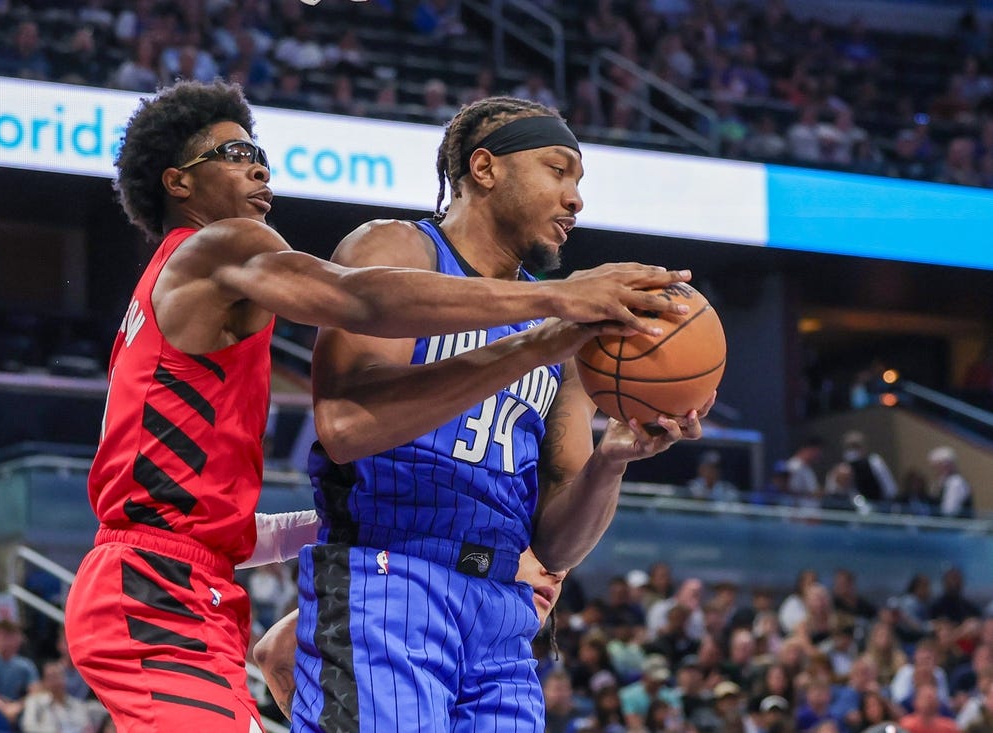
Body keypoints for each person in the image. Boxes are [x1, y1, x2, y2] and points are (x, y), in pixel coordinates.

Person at [63, 80, 678, 733]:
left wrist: (322, 525)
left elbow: (195, 514)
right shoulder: (221, 246)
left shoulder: (194, 288)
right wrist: (555, 303)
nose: (260, 165)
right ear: (177, 183)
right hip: (159, 588)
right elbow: (356, 301)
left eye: (258, 151)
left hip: (204, 580)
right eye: (235, 152)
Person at [294, 95, 709, 733]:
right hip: (387, 579)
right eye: (557, 169)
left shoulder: (561, 332)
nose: (575, 199)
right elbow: (348, 428)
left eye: (579, 181)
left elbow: (555, 544)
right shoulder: (400, 249)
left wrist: (611, 462)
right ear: (484, 168)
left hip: (502, 615)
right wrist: (535, 341)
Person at [252, 546, 567, 720]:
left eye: (569, 565)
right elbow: (274, 652)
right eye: (541, 551)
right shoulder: (409, 601)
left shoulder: (517, 670)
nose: (557, 571)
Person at [20, 661, 95, 733]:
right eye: (51, 677)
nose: (56, 681)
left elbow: (86, 727)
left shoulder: (77, 705)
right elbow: (28, 727)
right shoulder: (34, 702)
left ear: (65, 679)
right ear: (44, 681)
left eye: (58, 676)